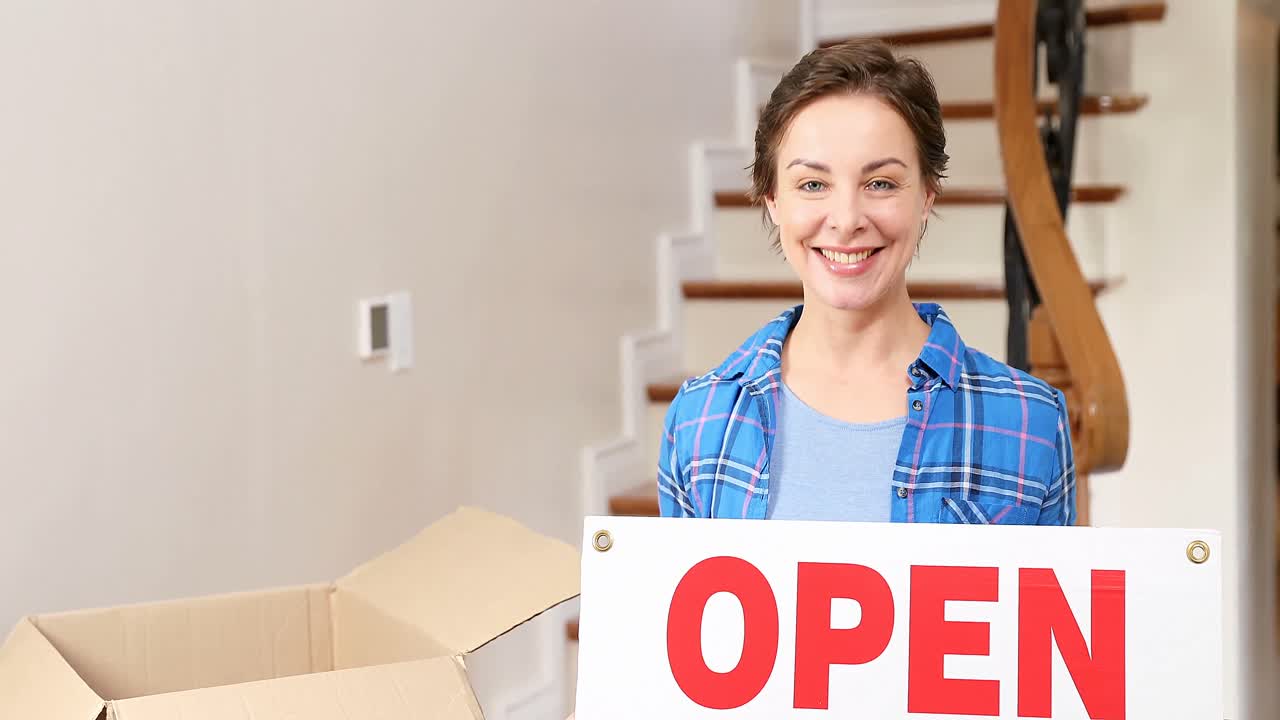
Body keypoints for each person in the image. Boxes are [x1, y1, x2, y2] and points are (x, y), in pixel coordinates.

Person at [656, 38, 1075, 525]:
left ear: (927, 195)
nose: (847, 219)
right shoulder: (699, 420)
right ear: (773, 200)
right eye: (813, 184)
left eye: (880, 183)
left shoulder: (1031, 422)